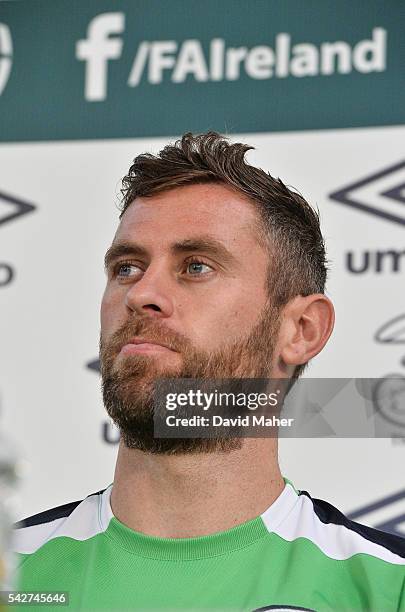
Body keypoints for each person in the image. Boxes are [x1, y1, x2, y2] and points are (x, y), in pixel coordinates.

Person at [13, 132, 405, 611]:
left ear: (302, 329)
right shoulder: (12, 574)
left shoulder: (387, 588)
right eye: (128, 268)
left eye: (196, 267)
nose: (141, 294)